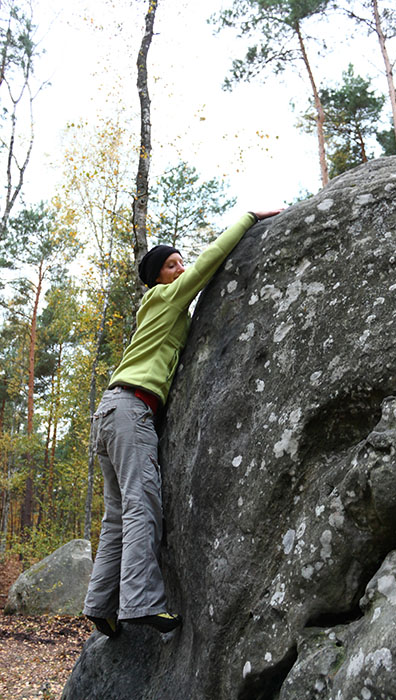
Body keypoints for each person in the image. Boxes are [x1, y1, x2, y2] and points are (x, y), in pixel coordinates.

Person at [83, 209, 282, 637]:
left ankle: (101, 604)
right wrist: (248, 218)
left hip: (110, 413)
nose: (181, 268)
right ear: (158, 277)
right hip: (130, 409)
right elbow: (209, 262)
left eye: (179, 261)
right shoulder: (164, 297)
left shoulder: (158, 312)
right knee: (142, 505)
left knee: (116, 515)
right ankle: (140, 603)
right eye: (172, 264)